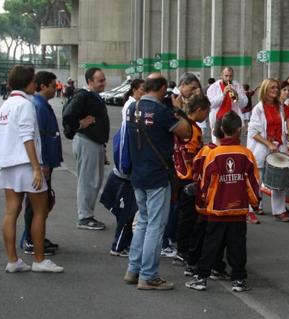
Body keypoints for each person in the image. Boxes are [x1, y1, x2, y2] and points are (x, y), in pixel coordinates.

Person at [123, 74, 192, 290]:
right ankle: (148, 275)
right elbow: (186, 133)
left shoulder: (133, 108)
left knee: (143, 221)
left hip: (138, 174)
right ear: (162, 88)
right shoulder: (162, 112)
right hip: (157, 175)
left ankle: (133, 269)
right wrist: (178, 110)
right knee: (155, 225)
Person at [0, 65, 64, 273]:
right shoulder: (25, 105)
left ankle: (13, 260)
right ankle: (40, 259)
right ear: (27, 83)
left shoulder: (5, 106)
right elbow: (27, 137)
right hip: (26, 164)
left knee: (11, 212)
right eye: (34, 81)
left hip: (8, 165)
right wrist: (36, 168)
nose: (36, 84)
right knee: (39, 212)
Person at [185, 111, 260, 293]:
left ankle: (202, 278)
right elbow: (253, 181)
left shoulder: (214, 153)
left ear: (221, 130)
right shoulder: (246, 154)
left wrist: (203, 199)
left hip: (217, 209)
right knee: (237, 246)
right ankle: (239, 280)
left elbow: (206, 182)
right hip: (239, 209)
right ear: (239, 130)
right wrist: (255, 202)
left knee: (211, 244)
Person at [19, 71, 62, 256]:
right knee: (36, 203)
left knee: (42, 203)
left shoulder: (42, 104)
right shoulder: (38, 105)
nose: (55, 89)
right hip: (44, 162)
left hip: (48, 161)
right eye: (53, 86)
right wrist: (42, 163)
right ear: (43, 86)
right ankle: (30, 239)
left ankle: (36, 237)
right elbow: (38, 138)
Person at [62, 67, 110, 231]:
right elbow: (67, 114)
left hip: (94, 142)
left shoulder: (92, 96)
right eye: (100, 80)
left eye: (103, 79)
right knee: (88, 180)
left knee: (93, 180)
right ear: (90, 81)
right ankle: (84, 217)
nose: (104, 83)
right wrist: (79, 124)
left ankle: (86, 215)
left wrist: (102, 146)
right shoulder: (83, 95)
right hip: (86, 141)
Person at [102, 79, 145, 257]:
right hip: (126, 171)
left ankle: (121, 245)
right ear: (134, 90)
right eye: (142, 89)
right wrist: (127, 166)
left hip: (124, 170)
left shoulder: (132, 108)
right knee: (128, 213)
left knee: (127, 211)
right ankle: (119, 246)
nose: (144, 93)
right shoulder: (132, 108)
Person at [247, 78, 289, 222]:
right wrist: (268, 144)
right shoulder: (258, 108)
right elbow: (253, 132)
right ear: (265, 90)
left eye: (276, 87)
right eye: (272, 88)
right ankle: (250, 209)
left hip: (278, 146)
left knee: (280, 178)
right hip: (261, 148)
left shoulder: (281, 107)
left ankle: (279, 211)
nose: (276, 90)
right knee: (257, 180)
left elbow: (286, 126)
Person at [172, 95, 211, 264]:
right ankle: (182, 250)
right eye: (207, 112)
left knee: (187, 215)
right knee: (188, 216)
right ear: (199, 110)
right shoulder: (189, 128)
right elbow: (190, 153)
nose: (207, 116)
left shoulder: (188, 124)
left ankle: (184, 247)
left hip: (182, 175)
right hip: (186, 177)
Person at [206, 67, 248, 142]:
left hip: (233, 120)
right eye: (226, 76)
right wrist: (223, 94)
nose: (228, 78)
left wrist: (237, 96)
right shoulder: (213, 87)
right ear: (221, 75)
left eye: (230, 76)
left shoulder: (237, 86)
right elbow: (211, 104)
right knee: (218, 144)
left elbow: (244, 103)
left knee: (233, 143)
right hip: (218, 120)